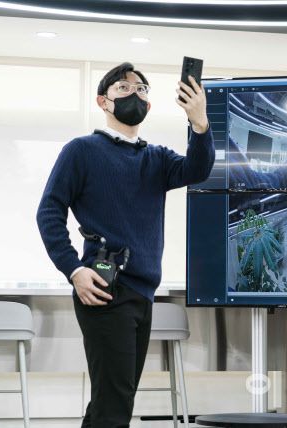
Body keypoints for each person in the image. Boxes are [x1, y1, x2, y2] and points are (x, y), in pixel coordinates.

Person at [36, 62, 215, 427]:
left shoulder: (157, 158)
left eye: (141, 89)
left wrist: (199, 122)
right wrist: (74, 269)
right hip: (104, 289)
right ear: (103, 101)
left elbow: (197, 170)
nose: (134, 93)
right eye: (123, 88)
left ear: (148, 105)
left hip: (143, 291)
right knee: (114, 405)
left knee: (112, 402)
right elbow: (49, 212)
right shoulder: (81, 151)